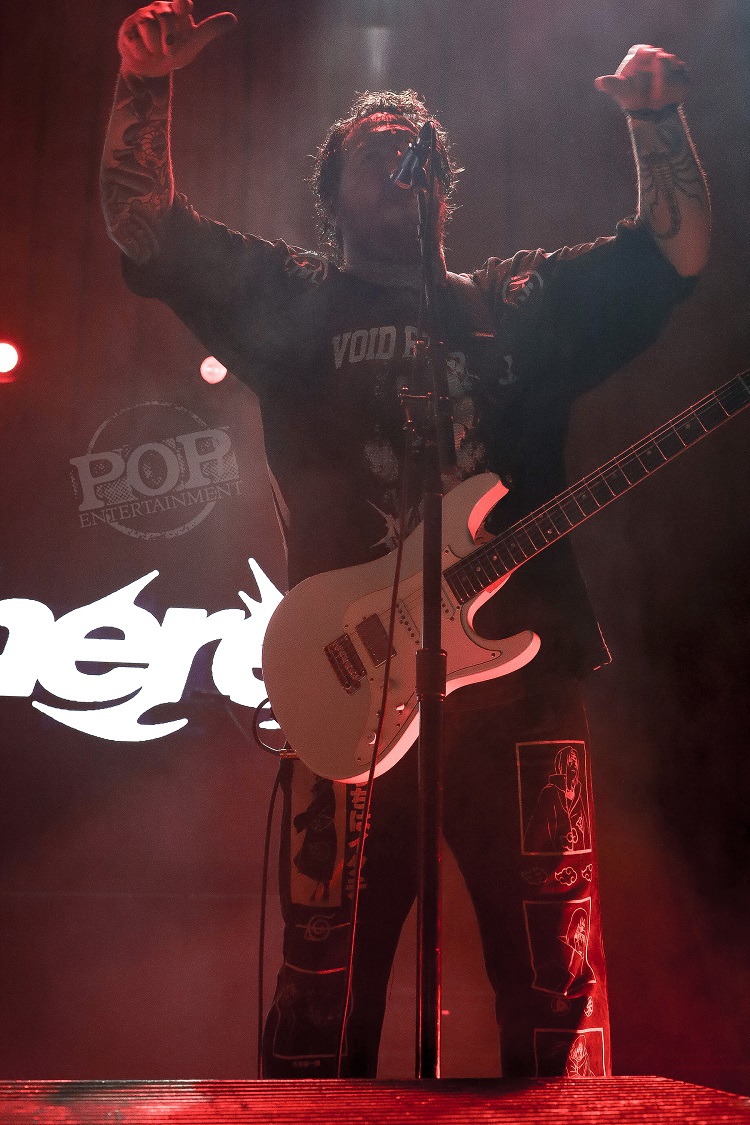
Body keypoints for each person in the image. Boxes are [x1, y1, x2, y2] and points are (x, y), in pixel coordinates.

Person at [101, 0, 710, 1079]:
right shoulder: (295, 302)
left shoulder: (512, 302)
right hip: (344, 680)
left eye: (415, 146)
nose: (398, 155)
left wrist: (655, 120)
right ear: (332, 197)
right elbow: (146, 229)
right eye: (372, 150)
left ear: (442, 187)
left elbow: (673, 255)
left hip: (523, 686)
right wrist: (145, 85)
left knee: (555, 976)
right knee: (323, 985)